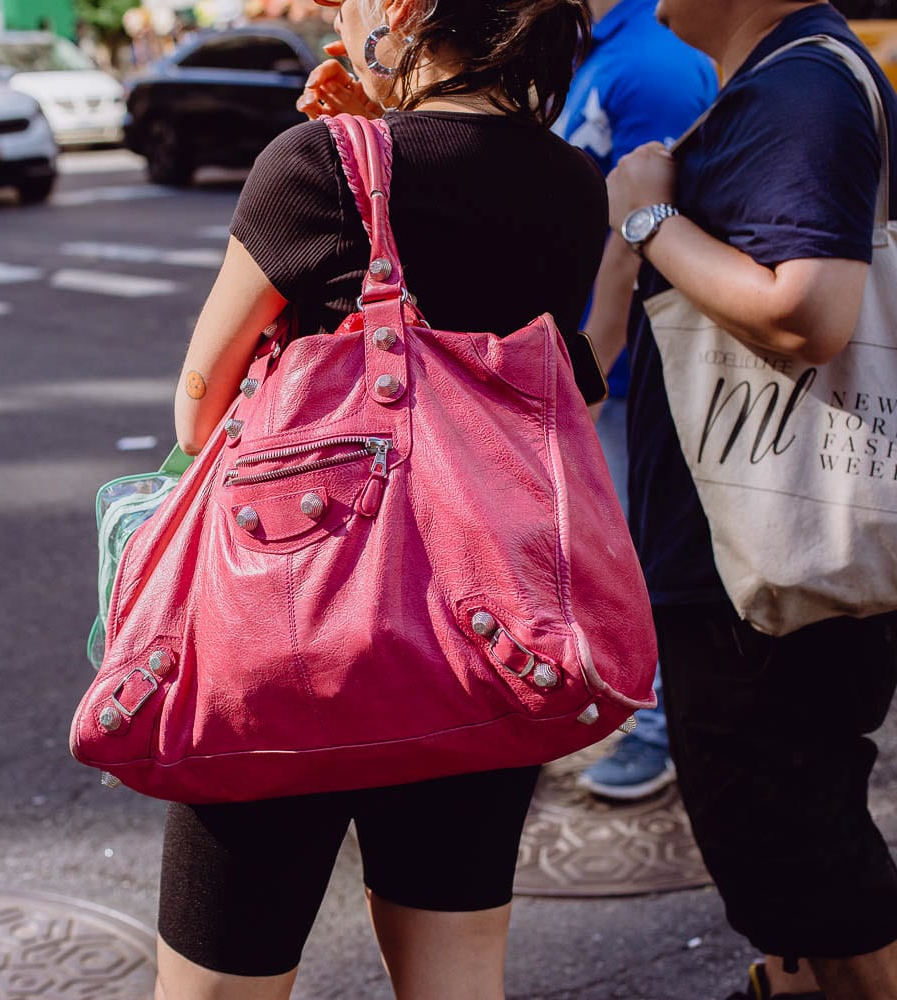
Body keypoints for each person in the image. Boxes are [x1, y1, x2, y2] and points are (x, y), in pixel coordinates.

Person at [154, 1, 607, 998]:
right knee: (454, 978)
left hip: (286, 641)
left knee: (220, 983)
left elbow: (200, 409)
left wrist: (347, 139)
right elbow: (564, 380)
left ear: (395, 15)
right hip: (484, 635)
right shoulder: (573, 184)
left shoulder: (313, 164)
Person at [605, 1, 897, 997]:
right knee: (786, 832)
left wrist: (649, 219)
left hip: (769, 554)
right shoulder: (786, 79)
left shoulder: (801, 87)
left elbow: (806, 309)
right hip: (748, 546)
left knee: (797, 840)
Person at [552, 0, 717, 801]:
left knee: (642, 553)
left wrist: (599, 356)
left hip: (629, 361)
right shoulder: (599, 50)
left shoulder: (648, 62)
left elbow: (644, 229)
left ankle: (659, 731)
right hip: (599, 357)